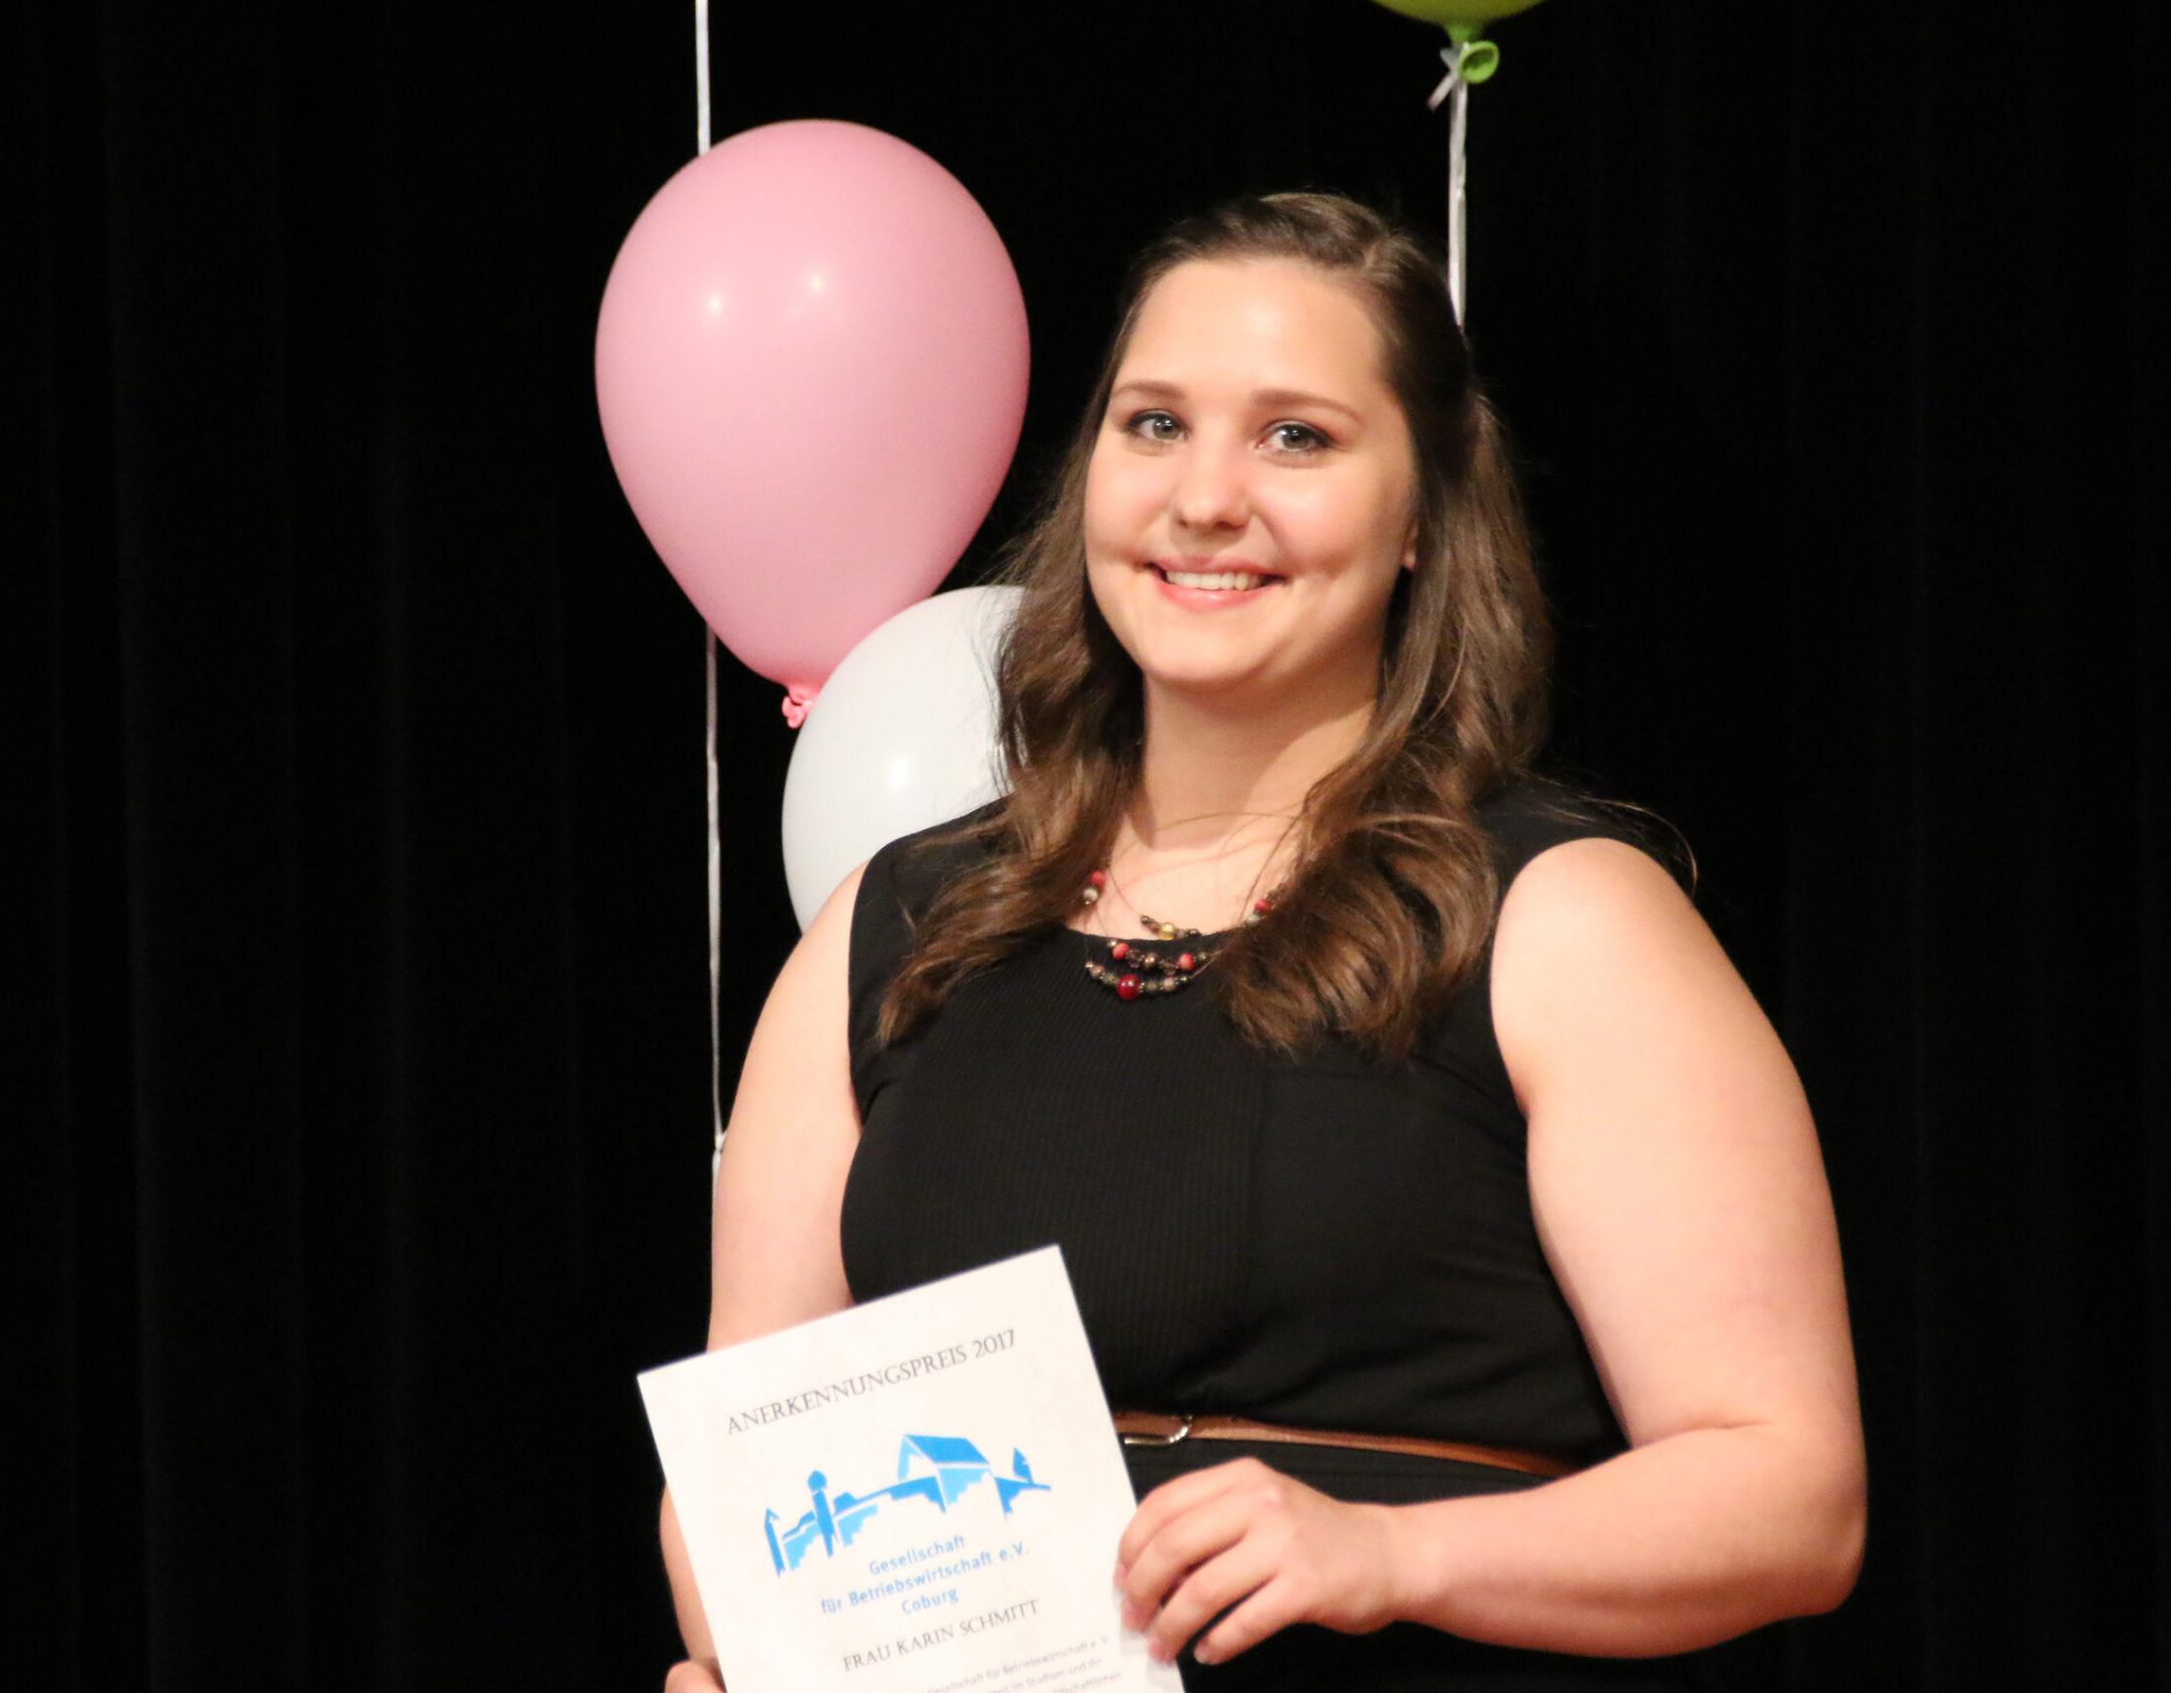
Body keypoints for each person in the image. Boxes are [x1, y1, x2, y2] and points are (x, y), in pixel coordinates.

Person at [661, 192, 1864, 1691]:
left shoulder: (1560, 921)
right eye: (1153, 425)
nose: (1205, 499)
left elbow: (1787, 1497)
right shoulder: (894, 928)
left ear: (1423, 512)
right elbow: (735, 1495)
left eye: (1294, 437)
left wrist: (1385, 1554)